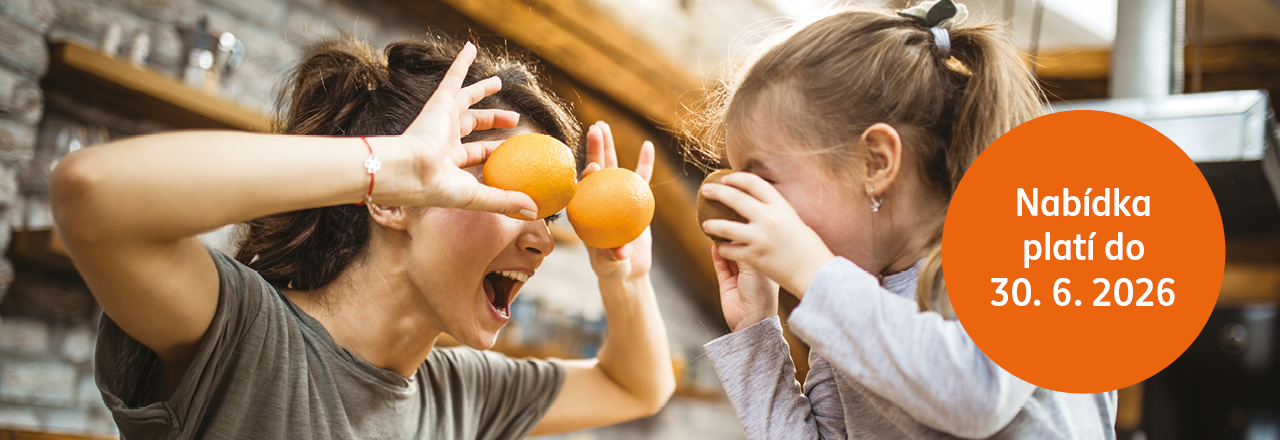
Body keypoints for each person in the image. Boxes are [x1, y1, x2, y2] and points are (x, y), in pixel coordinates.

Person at [50, 36, 674, 439]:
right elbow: (91, 191)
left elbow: (639, 386)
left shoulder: (463, 394)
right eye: (511, 197)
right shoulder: (248, 336)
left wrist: (625, 277)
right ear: (396, 202)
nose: (542, 241)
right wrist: (388, 166)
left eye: (549, 216)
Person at [685, 2, 1117, 439]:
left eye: (764, 180)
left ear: (875, 163)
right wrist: (757, 329)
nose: (755, 208)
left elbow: (980, 395)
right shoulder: (856, 309)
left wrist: (813, 275)